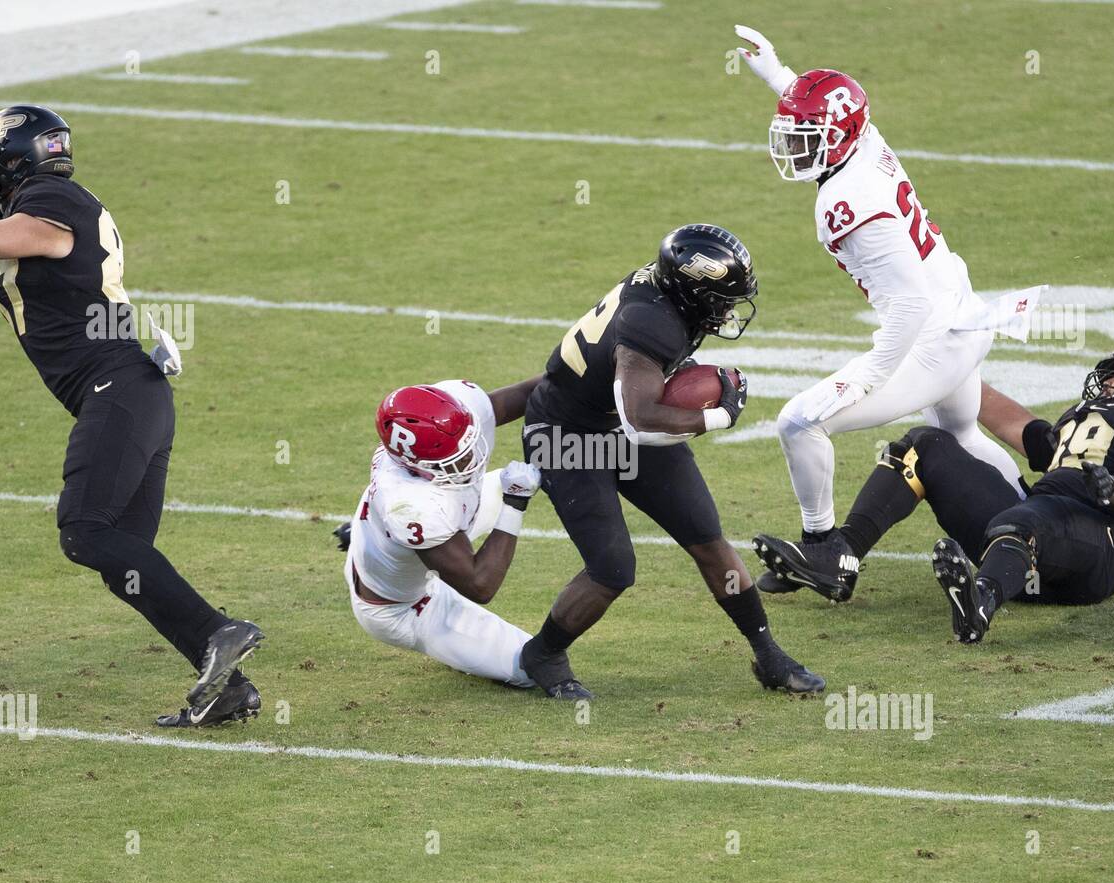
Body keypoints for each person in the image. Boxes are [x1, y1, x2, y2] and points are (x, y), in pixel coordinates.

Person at [0, 105, 261, 727]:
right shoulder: (43, 221)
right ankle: (228, 686)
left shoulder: (50, 202)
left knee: (85, 530)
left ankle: (221, 629)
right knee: (124, 557)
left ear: (10, 161)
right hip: (134, 393)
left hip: (117, 392)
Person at [730, 26, 1045, 599]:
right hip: (963, 313)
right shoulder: (865, 140)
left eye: (807, 136)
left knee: (801, 422)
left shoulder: (845, 202)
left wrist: (868, 377)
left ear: (837, 139)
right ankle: (1033, 528)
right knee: (959, 429)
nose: (796, 147)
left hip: (931, 338)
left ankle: (826, 553)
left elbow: (909, 307)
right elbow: (834, 111)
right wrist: (779, 75)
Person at [516, 223, 826, 698]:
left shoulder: (668, 292)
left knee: (705, 535)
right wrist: (720, 416)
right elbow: (640, 420)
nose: (727, 310)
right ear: (691, 292)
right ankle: (544, 653)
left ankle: (768, 655)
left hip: (613, 419)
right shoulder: (652, 323)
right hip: (567, 436)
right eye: (721, 299)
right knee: (612, 567)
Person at [787, 345, 1114, 643]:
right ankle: (841, 557)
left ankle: (979, 602)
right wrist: (952, 369)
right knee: (922, 446)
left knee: (1026, 520)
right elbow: (1021, 427)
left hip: (1098, 546)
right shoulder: (1086, 418)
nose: (1110, 379)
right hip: (1031, 540)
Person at [335, 377, 548, 686]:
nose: (470, 457)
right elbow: (481, 585)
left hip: (417, 530)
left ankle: (370, 537)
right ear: (415, 464)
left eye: (468, 442)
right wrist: (514, 502)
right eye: (455, 457)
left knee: (544, 472)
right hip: (405, 608)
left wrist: (582, 368)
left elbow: (532, 393)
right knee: (531, 667)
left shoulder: (454, 407)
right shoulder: (410, 505)